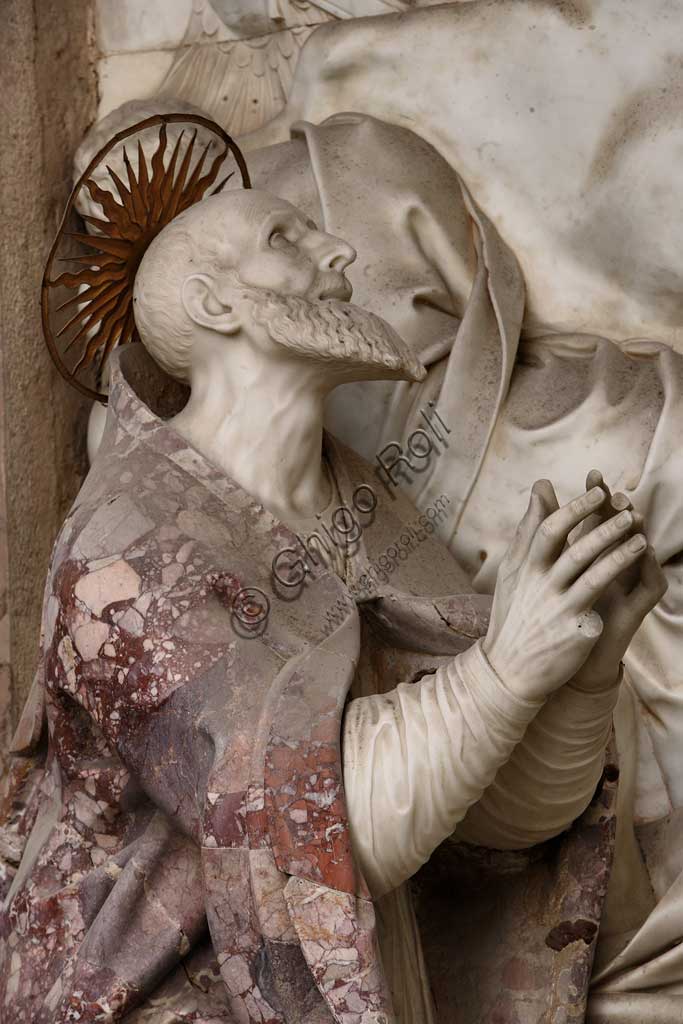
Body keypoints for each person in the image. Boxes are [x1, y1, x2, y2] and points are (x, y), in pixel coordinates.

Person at [0, 179, 664, 1022]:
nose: (340, 253)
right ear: (215, 303)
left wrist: (576, 666)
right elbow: (307, 836)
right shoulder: (124, 554)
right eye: (287, 237)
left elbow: (490, 826)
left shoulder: (363, 507)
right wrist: (503, 670)